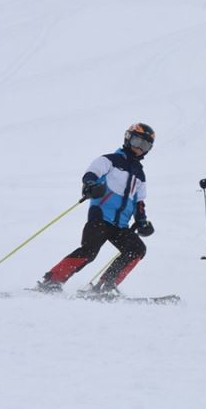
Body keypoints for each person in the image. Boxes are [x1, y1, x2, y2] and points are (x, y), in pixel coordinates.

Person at [36, 123, 156, 294]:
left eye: (145, 145)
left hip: (120, 226)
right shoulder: (109, 160)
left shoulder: (140, 175)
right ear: (128, 138)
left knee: (136, 249)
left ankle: (105, 287)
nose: (139, 148)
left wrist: (142, 221)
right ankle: (52, 281)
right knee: (89, 251)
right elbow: (91, 174)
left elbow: (139, 202)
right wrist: (90, 185)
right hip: (100, 218)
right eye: (137, 141)